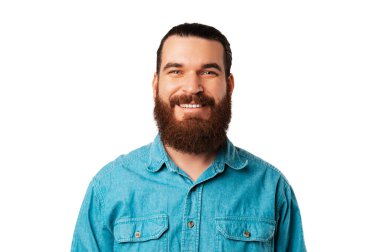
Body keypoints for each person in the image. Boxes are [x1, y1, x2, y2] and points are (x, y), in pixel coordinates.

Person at [71, 23, 306, 251]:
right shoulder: (109, 187)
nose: (192, 87)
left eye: (208, 72)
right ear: (156, 85)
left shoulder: (272, 188)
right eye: (176, 71)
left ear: (229, 85)